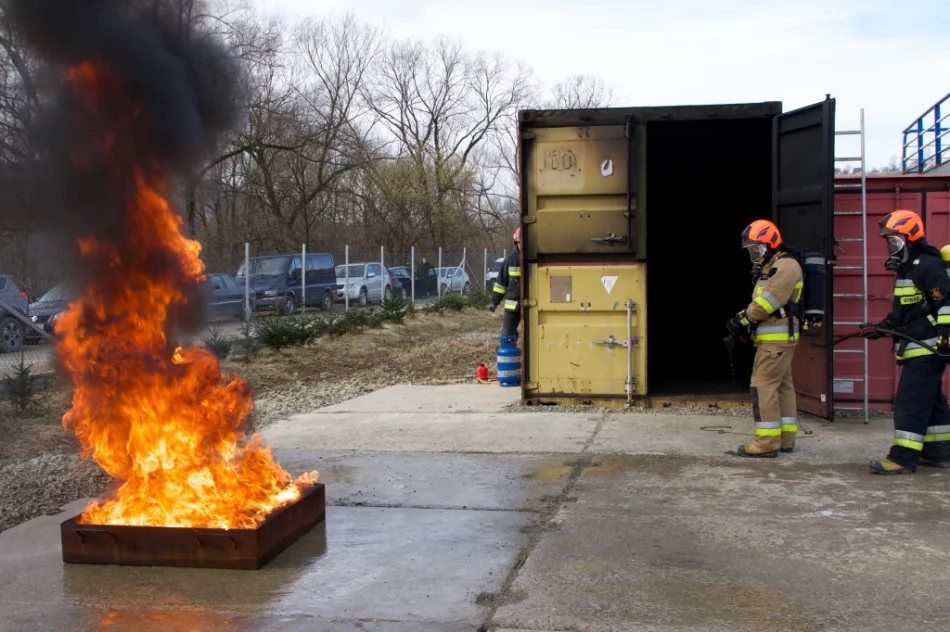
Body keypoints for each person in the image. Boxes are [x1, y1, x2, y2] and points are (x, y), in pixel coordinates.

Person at [864, 210, 950, 474]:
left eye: (894, 240)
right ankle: (937, 452)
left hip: (929, 347)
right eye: (889, 241)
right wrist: (882, 328)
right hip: (917, 346)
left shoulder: (928, 265)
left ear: (910, 237)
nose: (891, 246)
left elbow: (946, 305)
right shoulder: (906, 269)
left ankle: (902, 458)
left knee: (909, 401)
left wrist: (946, 341)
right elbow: (906, 312)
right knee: (932, 401)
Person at [725, 219, 804, 458]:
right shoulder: (772, 266)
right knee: (782, 386)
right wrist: (748, 325)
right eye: (751, 250)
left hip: (775, 340)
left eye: (757, 249)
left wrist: (742, 319)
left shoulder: (786, 265)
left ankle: (767, 443)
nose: (753, 254)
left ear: (770, 244)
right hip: (775, 338)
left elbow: (768, 303)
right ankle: (786, 439)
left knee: (763, 385)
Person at [489, 227, 522, 338]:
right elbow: (500, 284)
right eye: (519, 242)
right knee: (507, 337)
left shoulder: (535, 260)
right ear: (516, 242)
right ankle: (510, 355)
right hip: (513, 307)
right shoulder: (510, 260)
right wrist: (494, 302)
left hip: (531, 306)